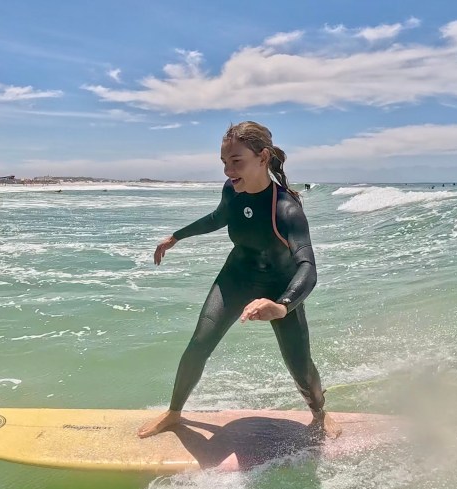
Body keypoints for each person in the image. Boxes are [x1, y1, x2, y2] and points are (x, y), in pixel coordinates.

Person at [138, 121, 340, 439]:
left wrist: (282, 305)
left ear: (263, 158)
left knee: (300, 365)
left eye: (236, 162)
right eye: (224, 163)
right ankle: (174, 413)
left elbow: (308, 268)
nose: (228, 171)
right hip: (236, 278)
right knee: (199, 343)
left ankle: (319, 414)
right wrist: (175, 237)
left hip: (279, 289)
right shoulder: (232, 191)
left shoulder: (286, 210)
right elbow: (219, 217)